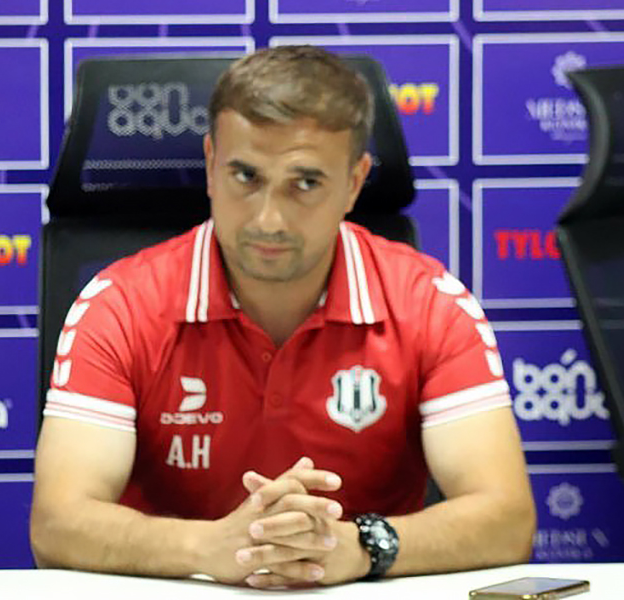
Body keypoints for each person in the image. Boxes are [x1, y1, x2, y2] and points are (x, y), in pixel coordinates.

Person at [30, 45, 536, 588]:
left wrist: (359, 546)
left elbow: (508, 519)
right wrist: (210, 547)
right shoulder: (120, 304)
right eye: (246, 176)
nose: (269, 219)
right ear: (210, 165)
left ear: (354, 182)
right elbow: (57, 524)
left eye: (306, 183)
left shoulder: (430, 303)